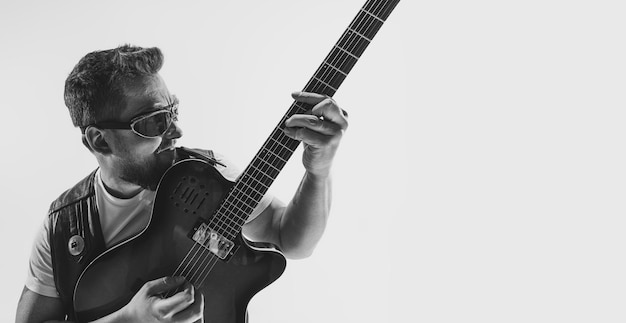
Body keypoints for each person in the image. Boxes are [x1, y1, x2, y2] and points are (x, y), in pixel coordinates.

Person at [15, 44, 348, 322]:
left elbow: (292, 241)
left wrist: (318, 170)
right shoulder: (63, 224)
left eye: (173, 111)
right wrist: (129, 319)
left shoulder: (206, 175)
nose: (176, 132)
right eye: (155, 121)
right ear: (99, 141)